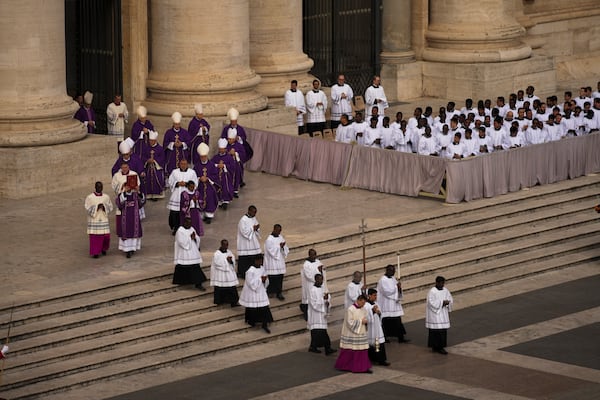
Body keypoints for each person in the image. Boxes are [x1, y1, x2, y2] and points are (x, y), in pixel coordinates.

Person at [334, 294, 372, 374]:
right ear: (358, 300)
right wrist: (361, 321)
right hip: (351, 334)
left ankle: (363, 367)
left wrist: (366, 321)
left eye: (364, 303)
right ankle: (345, 366)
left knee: (362, 351)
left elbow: (366, 317)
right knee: (351, 351)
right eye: (362, 302)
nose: (363, 304)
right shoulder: (350, 309)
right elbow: (350, 322)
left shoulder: (363, 308)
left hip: (361, 332)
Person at [239, 254, 273, 333]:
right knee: (253, 307)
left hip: (261, 290)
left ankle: (264, 324)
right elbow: (250, 283)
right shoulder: (250, 271)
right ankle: (252, 322)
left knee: (264, 308)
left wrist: (265, 280)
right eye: (258, 260)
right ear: (255, 261)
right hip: (252, 292)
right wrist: (260, 280)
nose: (260, 262)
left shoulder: (262, 268)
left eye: (261, 260)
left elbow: (266, 279)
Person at [376, 264, 409, 343]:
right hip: (386, 304)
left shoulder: (393, 278)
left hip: (394, 304)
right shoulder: (382, 280)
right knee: (386, 321)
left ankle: (401, 337)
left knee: (397, 320)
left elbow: (397, 289)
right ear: (387, 270)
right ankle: (385, 337)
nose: (394, 272)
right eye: (392, 270)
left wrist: (399, 287)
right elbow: (386, 291)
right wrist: (396, 287)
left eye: (394, 271)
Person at [173, 217, 207, 291]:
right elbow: (181, 242)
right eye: (188, 223)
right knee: (183, 267)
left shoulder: (191, 228)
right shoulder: (180, 231)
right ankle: (181, 281)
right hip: (184, 253)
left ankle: (198, 283)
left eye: (190, 223)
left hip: (193, 252)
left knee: (195, 267)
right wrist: (190, 238)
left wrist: (195, 238)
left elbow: (197, 237)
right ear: (184, 223)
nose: (189, 225)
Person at [167, 159, 198, 235]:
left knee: (186, 213)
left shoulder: (192, 172)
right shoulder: (175, 172)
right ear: (179, 164)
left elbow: (195, 183)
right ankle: (176, 228)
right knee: (175, 213)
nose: (183, 165)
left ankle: (187, 228)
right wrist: (177, 183)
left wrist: (187, 184)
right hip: (177, 195)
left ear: (187, 164)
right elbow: (170, 181)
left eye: (185, 164)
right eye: (182, 164)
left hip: (187, 195)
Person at [116, 179, 145, 258]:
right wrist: (125, 193)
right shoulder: (121, 195)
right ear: (124, 187)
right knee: (126, 232)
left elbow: (142, 203)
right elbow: (119, 205)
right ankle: (127, 250)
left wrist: (139, 192)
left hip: (134, 217)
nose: (128, 188)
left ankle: (132, 248)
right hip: (125, 219)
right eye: (126, 186)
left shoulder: (136, 195)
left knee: (134, 232)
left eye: (129, 186)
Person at [308, 273, 336, 355]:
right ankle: (327, 348)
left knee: (320, 331)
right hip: (315, 315)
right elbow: (313, 303)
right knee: (318, 332)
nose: (321, 281)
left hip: (322, 314)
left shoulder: (323, 288)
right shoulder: (312, 290)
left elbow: (328, 298)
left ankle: (314, 347)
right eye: (319, 279)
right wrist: (323, 299)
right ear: (315, 279)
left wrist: (327, 301)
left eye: (322, 279)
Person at [84, 181, 113, 258]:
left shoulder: (106, 197)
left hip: (103, 219)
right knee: (95, 238)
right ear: (95, 187)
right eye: (98, 187)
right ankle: (95, 252)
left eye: (101, 187)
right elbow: (87, 207)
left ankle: (104, 249)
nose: (99, 188)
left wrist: (104, 207)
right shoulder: (90, 197)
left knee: (106, 237)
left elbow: (110, 207)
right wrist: (96, 207)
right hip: (95, 220)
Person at [193, 142, 219, 224]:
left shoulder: (211, 165)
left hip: (209, 186)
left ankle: (209, 215)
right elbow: (193, 175)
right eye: (201, 157)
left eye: (204, 156)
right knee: (199, 198)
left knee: (210, 197)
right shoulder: (196, 166)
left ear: (206, 156)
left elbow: (215, 175)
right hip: (200, 186)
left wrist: (208, 178)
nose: (203, 158)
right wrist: (199, 178)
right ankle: (201, 214)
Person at [426, 276, 453, 355]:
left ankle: (441, 346)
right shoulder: (432, 291)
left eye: (443, 283)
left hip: (443, 313)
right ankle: (435, 347)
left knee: (442, 331)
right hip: (435, 315)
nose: (442, 284)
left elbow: (450, 298)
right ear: (437, 283)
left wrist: (448, 302)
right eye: (441, 283)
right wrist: (442, 303)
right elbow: (431, 302)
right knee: (435, 331)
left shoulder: (445, 290)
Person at [210, 239, 240, 307]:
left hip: (228, 274)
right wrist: (226, 261)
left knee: (232, 287)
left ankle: (233, 302)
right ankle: (219, 301)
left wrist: (231, 261)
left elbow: (233, 261)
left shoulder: (229, 252)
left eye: (227, 245)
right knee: (220, 288)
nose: (226, 246)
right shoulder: (217, 254)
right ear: (221, 245)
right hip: (221, 274)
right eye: (224, 245)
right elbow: (217, 263)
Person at [263, 224, 289, 301]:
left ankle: (279, 292)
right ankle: (270, 291)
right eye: (278, 230)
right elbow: (270, 250)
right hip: (272, 262)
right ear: (274, 229)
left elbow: (285, 248)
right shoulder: (269, 239)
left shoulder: (280, 237)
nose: (279, 232)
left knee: (280, 277)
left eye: (280, 231)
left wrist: (283, 246)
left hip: (279, 261)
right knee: (272, 277)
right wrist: (279, 246)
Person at [365, 288, 389, 366]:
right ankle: (372, 358)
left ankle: (381, 360)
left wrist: (378, 313)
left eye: (376, 295)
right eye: (374, 295)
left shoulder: (376, 303)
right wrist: (372, 311)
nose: (376, 297)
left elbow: (380, 314)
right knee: (371, 344)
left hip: (377, 327)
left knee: (379, 343)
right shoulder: (366, 305)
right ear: (369, 296)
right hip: (370, 328)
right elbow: (366, 317)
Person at [210, 138, 236, 209]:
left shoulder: (229, 157)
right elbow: (211, 164)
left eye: (223, 149)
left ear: (225, 149)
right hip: (217, 176)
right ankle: (218, 200)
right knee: (217, 187)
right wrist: (217, 165)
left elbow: (232, 167)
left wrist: (224, 166)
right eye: (220, 149)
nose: (221, 150)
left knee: (225, 187)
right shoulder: (216, 157)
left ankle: (225, 201)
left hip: (225, 176)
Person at [237, 205, 261, 278]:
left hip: (253, 241)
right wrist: (252, 228)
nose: (255, 214)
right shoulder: (243, 220)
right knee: (245, 259)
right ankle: (243, 273)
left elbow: (256, 227)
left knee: (254, 256)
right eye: (254, 212)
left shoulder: (253, 218)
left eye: (255, 213)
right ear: (249, 211)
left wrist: (257, 228)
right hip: (245, 243)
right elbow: (243, 231)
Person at [163, 111, 191, 176]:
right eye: (176, 124)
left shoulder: (184, 132)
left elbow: (189, 142)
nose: (177, 126)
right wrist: (173, 144)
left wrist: (182, 144)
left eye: (178, 124)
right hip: (172, 156)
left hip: (182, 154)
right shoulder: (168, 132)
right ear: (173, 123)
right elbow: (165, 143)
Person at [141, 129, 166, 200]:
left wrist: (154, 161)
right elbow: (143, 157)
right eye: (150, 141)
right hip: (148, 167)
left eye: (152, 141)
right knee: (148, 180)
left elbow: (162, 158)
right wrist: (147, 160)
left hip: (157, 168)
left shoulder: (160, 148)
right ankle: (149, 194)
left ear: (155, 140)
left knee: (156, 180)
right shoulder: (146, 148)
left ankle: (156, 195)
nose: (151, 142)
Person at [300, 248, 324, 321]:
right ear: (309, 255)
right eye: (312, 255)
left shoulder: (318, 261)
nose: (314, 257)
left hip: (317, 284)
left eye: (315, 255)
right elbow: (309, 275)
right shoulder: (306, 264)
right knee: (308, 299)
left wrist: (322, 270)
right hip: (309, 284)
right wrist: (318, 270)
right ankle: (306, 313)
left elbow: (322, 271)